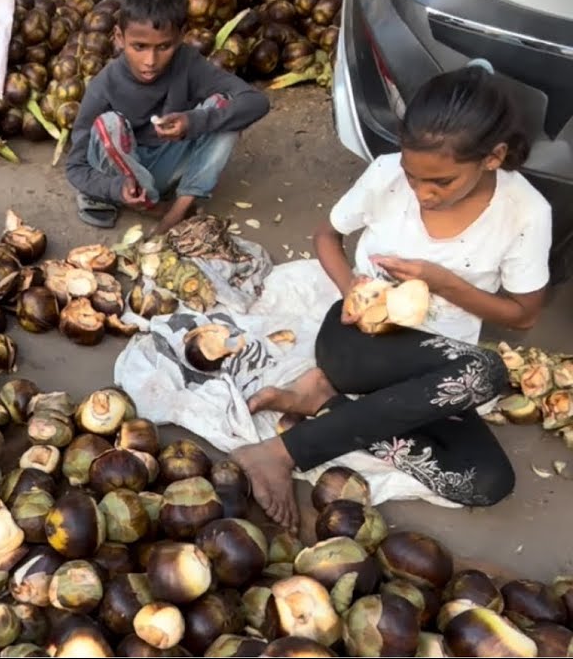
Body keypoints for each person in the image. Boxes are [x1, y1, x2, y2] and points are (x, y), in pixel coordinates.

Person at [231, 60, 552, 531]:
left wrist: (444, 284)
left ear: (493, 157)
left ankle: (329, 406)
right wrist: (352, 291)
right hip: (356, 344)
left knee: (485, 482)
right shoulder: (386, 176)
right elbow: (326, 236)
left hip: (436, 375)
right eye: (413, 176)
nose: (423, 192)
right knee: (486, 371)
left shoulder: (525, 212)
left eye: (441, 182)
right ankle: (278, 453)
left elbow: (523, 315)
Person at [65, 0, 270, 232]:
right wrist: (115, 187)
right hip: (125, 174)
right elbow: (75, 167)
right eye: (139, 47)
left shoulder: (188, 63)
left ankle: (179, 209)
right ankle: (139, 203)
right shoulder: (104, 86)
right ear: (119, 38)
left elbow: (256, 102)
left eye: (164, 47)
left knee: (226, 109)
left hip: (167, 169)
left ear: (182, 36)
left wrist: (193, 121)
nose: (150, 61)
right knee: (109, 124)